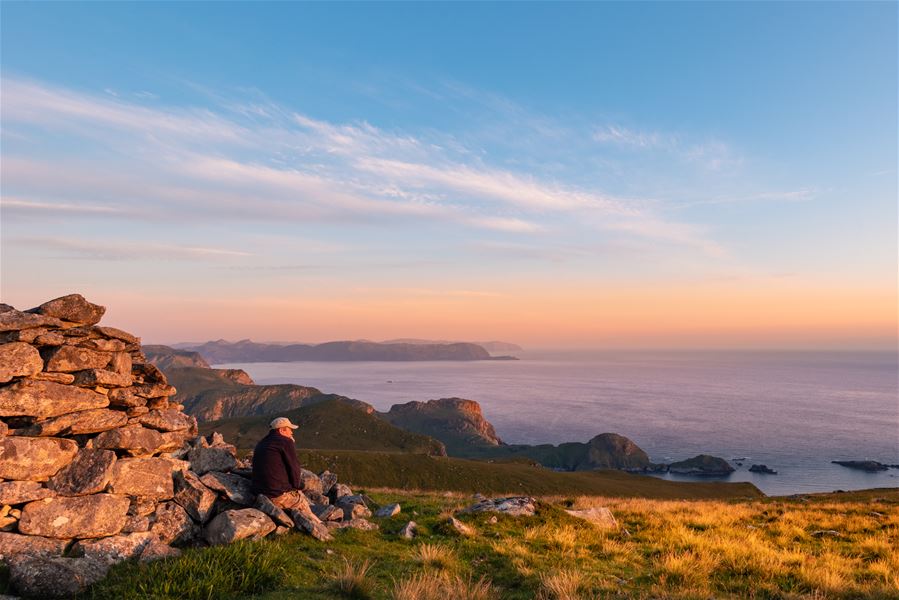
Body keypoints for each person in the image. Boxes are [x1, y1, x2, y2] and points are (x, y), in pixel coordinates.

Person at [251, 416, 311, 511]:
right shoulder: (285, 441)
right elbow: (294, 467)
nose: (292, 432)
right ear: (282, 430)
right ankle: (318, 524)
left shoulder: (261, 443)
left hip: (258, 493)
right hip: (276, 494)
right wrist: (296, 487)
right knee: (302, 503)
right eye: (290, 429)